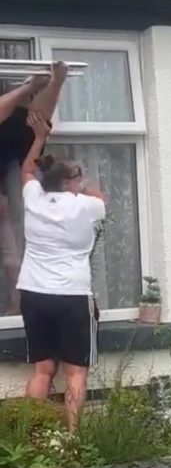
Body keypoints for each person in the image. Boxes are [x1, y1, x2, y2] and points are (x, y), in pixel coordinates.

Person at [17, 111, 105, 430]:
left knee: (42, 369)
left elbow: (26, 171)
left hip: (34, 294)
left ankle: (28, 435)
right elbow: (99, 198)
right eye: (77, 178)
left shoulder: (34, 199)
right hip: (71, 295)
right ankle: (71, 441)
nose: (81, 183)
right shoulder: (87, 205)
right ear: (69, 182)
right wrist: (84, 188)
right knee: (75, 372)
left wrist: (39, 139)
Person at [0, 62, 69, 313]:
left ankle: (19, 299)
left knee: (18, 233)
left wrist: (54, 83)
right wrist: (28, 87)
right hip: (11, 166)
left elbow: (39, 119)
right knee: (9, 233)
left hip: (18, 167)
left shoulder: (27, 124)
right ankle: (15, 298)